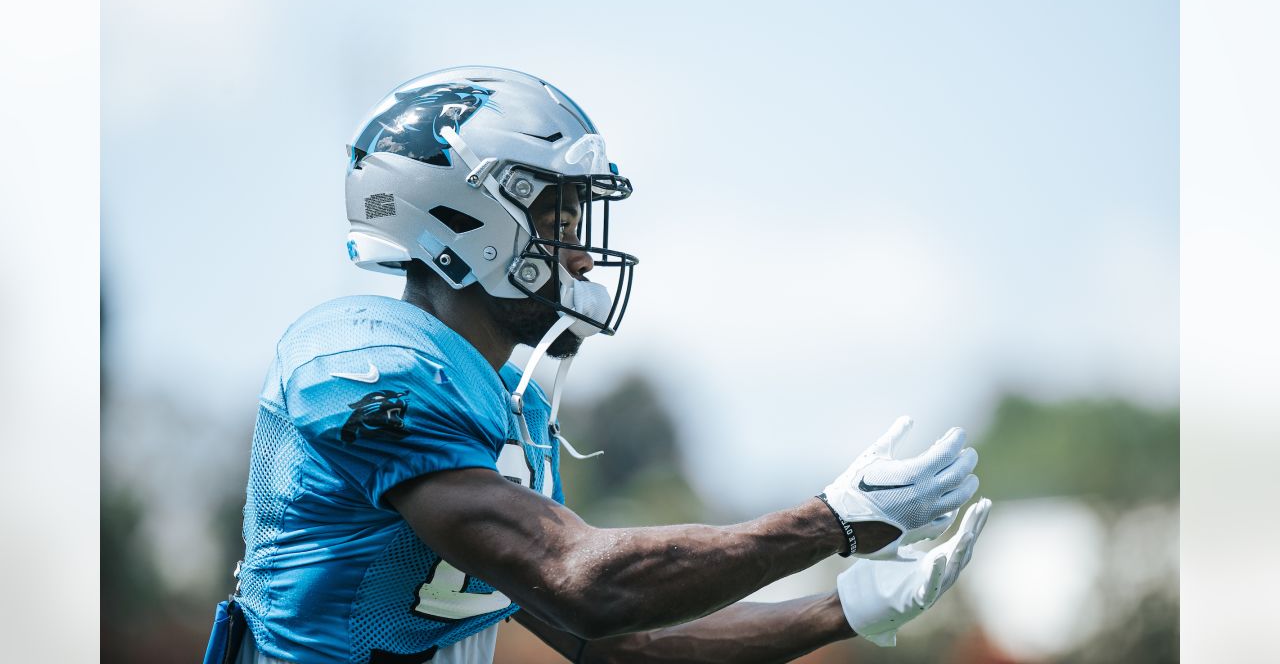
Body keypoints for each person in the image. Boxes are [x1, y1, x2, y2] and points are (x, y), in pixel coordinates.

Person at [205, 66, 991, 664]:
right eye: (559, 218)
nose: (580, 253)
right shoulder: (365, 363)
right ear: (466, 218)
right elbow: (588, 585)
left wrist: (845, 610)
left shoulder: (507, 405)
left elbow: (620, 645)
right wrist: (829, 521)